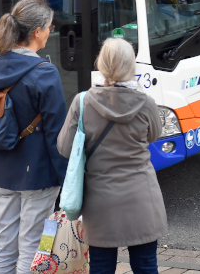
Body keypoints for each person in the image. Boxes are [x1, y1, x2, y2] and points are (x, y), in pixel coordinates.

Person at [0, 0, 68, 274]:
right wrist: (67, 179)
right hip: (37, 173)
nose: (51, 32)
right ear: (37, 32)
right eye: (50, 27)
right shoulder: (45, 73)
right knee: (33, 246)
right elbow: (57, 135)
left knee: (3, 242)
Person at [57, 38, 167, 274]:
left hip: (100, 202)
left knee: (101, 267)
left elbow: (64, 148)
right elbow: (154, 136)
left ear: (102, 64)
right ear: (131, 66)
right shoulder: (146, 103)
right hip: (142, 199)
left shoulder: (83, 102)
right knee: (146, 265)